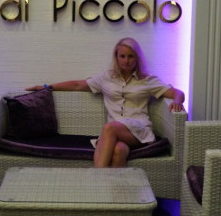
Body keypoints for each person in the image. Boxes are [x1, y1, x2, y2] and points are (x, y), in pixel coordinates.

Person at [26, 37, 185, 168]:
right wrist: (46, 87)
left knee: (109, 128)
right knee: (119, 150)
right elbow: (77, 85)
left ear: (137, 58)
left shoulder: (147, 80)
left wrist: (177, 101)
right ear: (116, 57)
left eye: (131, 56)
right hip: (115, 134)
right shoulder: (107, 78)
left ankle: (97, 183)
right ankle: (114, 194)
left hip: (139, 131)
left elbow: (177, 93)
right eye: (122, 56)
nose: (126, 61)